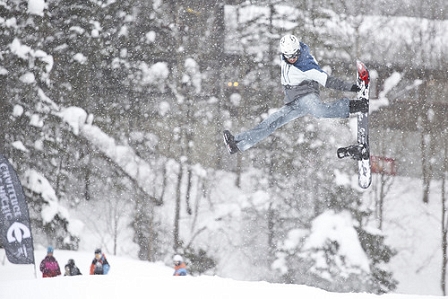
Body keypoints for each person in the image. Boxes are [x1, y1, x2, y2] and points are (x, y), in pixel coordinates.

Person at [223, 34, 368, 154]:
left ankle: (353, 106)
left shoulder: (306, 66)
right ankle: (236, 143)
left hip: (306, 94)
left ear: (298, 51)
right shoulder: (287, 52)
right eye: (288, 56)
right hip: (293, 100)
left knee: (319, 111)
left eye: (294, 55)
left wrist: (351, 87)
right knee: (270, 123)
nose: (292, 58)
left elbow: (328, 81)